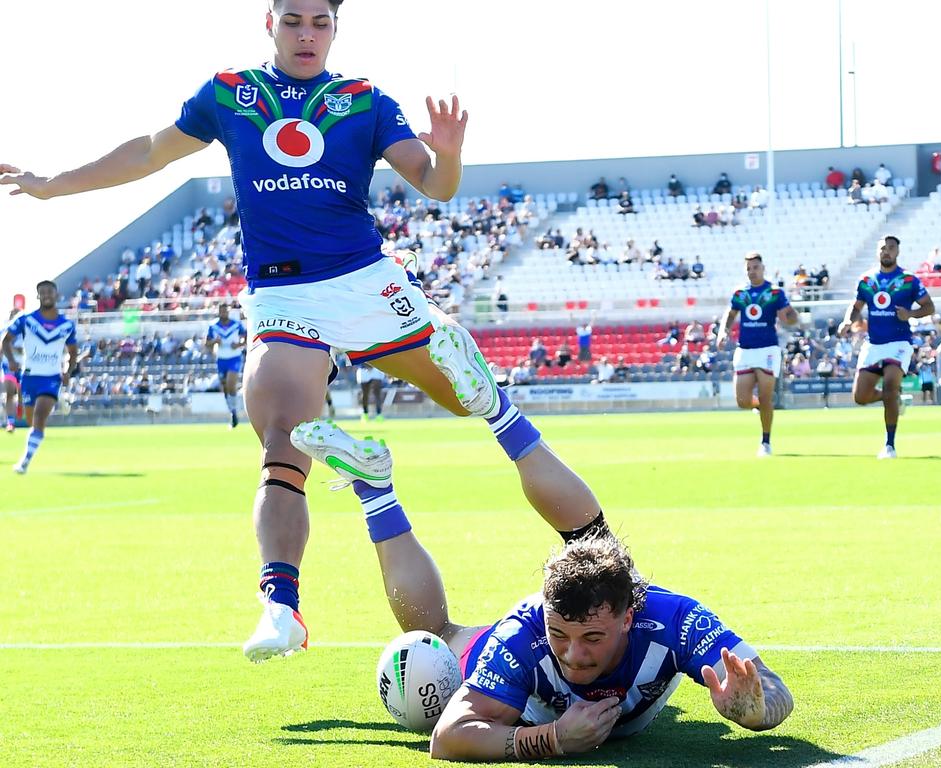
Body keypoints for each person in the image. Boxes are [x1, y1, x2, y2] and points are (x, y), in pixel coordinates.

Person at [1, 0, 556, 662]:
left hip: (366, 281)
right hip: (284, 293)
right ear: (269, 23)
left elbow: (434, 184)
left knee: (468, 398)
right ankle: (281, 607)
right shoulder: (231, 93)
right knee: (281, 435)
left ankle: (526, 490)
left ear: (335, 29)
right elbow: (150, 152)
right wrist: (51, 186)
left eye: (320, 22)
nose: (307, 34)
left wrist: (452, 154)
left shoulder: (364, 100)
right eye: (294, 20)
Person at [286, 420, 793, 760]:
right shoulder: (523, 637)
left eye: (592, 637)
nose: (573, 655)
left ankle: (501, 412)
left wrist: (754, 711)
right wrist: (548, 738)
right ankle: (377, 492)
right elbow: (448, 739)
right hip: (519, 686)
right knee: (430, 641)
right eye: (561, 634)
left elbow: (775, 691)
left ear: (628, 616)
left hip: (608, 638)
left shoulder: (675, 618)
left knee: (601, 549)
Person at [837, 236, 935, 459]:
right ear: (877, 252)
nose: (887, 251)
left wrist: (910, 314)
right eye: (883, 248)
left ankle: (889, 445)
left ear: (897, 252)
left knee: (891, 385)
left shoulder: (909, 280)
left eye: (891, 248)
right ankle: (893, 399)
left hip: (899, 343)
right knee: (860, 397)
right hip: (873, 344)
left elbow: (929, 306)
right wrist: (847, 322)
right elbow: (856, 307)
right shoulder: (866, 280)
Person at [716, 253, 798, 457]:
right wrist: (723, 331)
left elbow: (791, 316)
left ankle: (766, 441)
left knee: (765, 395)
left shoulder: (774, 292)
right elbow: (731, 313)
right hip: (745, 350)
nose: (752, 271)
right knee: (743, 401)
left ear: (763, 268)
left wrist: (790, 318)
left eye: (755, 267)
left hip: (768, 350)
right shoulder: (740, 293)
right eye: (749, 269)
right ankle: (763, 406)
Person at [2, 281, 79, 474]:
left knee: (39, 416)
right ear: (38, 296)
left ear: (56, 295)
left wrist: (68, 371)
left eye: (49, 291)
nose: (46, 295)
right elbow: (5, 340)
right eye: (42, 292)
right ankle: (33, 438)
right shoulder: (25, 319)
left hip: (51, 378)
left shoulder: (67, 325)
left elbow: (73, 350)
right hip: (29, 377)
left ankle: (25, 461)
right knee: (31, 421)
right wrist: (11, 360)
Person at [206, 303, 246, 429]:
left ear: (228, 312)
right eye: (221, 311)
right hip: (221, 358)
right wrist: (214, 342)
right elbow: (207, 343)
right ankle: (232, 411)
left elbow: (246, 337)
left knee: (230, 383)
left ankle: (234, 411)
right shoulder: (213, 326)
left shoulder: (236, 324)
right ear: (218, 312)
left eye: (225, 311)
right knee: (224, 387)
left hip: (234, 357)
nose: (223, 313)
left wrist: (239, 345)